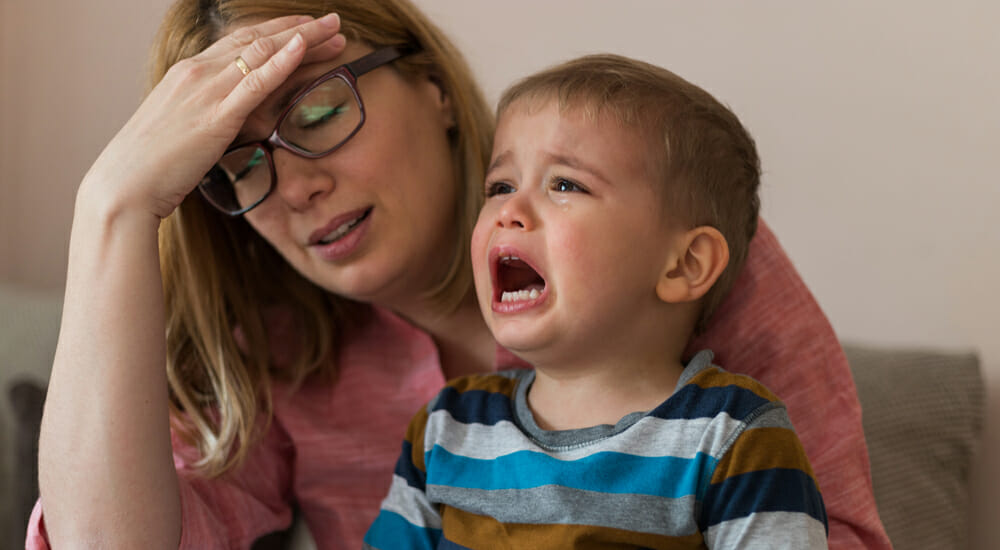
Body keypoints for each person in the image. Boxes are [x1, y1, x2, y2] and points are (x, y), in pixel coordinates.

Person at [27, 0, 889, 549]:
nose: (293, 186)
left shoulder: (669, 248)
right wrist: (111, 206)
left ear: (432, 86)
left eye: (322, 112)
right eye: (239, 165)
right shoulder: (295, 361)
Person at [362, 53, 828, 549]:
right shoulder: (447, 427)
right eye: (500, 186)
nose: (509, 211)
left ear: (684, 264)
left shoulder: (734, 437)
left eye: (565, 184)